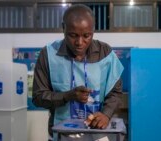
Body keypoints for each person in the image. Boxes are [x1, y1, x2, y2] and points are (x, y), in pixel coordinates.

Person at [32, 4, 124, 141]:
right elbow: (38, 97)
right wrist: (67, 96)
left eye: (87, 36)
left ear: (93, 30)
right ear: (63, 28)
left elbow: (115, 93)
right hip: (61, 134)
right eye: (73, 35)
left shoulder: (106, 54)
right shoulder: (48, 54)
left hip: (97, 133)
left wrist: (106, 114)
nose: (80, 42)